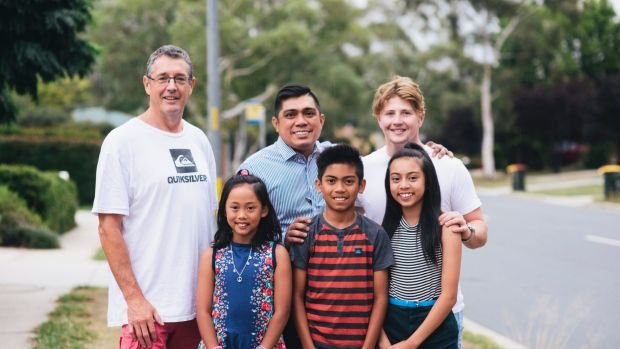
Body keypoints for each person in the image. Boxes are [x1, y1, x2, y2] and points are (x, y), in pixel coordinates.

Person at [239, 83, 448, 347]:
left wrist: (429, 150)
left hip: (348, 300)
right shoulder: (255, 168)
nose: (301, 121)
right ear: (276, 122)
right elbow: (238, 229)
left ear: (321, 119)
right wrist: (281, 238)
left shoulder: (337, 157)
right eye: (291, 115)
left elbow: (391, 166)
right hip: (282, 297)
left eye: (308, 113)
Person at [92, 45, 218, 349]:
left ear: (192, 85)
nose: (171, 87)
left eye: (179, 78)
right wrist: (134, 300)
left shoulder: (199, 140)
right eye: (163, 78)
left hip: (200, 311)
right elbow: (108, 228)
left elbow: (207, 221)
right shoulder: (122, 142)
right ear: (147, 84)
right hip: (148, 314)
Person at [358, 75, 488, 347]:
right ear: (378, 118)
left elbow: (480, 230)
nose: (397, 120)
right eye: (389, 113)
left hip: (440, 312)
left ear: (420, 116)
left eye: (406, 112)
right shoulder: (363, 170)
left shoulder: (448, 166)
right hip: (386, 310)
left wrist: (467, 231)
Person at [290, 144, 394, 349]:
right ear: (319, 185)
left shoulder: (375, 235)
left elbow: (380, 298)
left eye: (348, 181)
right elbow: (297, 296)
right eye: (331, 181)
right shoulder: (307, 233)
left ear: (361, 185)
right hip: (317, 343)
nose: (339, 189)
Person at [379, 143, 461, 348]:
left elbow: (449, 296)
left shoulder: (446, 228)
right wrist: (383, 342)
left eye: (413, 178)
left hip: (435, 324)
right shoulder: (383, 231)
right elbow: (374, 293)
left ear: (428, 181)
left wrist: (411, 343)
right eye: (396, 179)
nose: (404, 185)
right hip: (391, 320)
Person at [196, 173, 291, 349]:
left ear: (264, 210)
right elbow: (202, 311)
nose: (242, 215)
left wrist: (264, 347)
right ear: (224, 210)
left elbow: (282, 312)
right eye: (234, 207)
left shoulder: (277, 254)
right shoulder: (212, 255)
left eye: (250, 208)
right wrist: (213, 346)